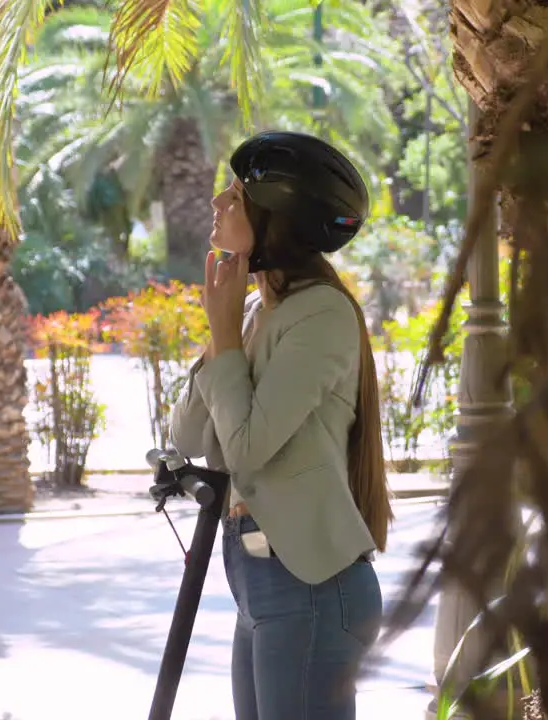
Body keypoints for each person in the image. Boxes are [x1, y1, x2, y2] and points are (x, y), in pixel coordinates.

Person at [167, 130, 393, 720]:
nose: (218, 202)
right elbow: (192, 439)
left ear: (278, 221)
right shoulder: (255, 311)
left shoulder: (320, 314)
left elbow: (244, 448)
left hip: (310, 585)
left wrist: (223, 339)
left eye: (237, 196)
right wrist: (220, 330)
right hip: (260, 575)